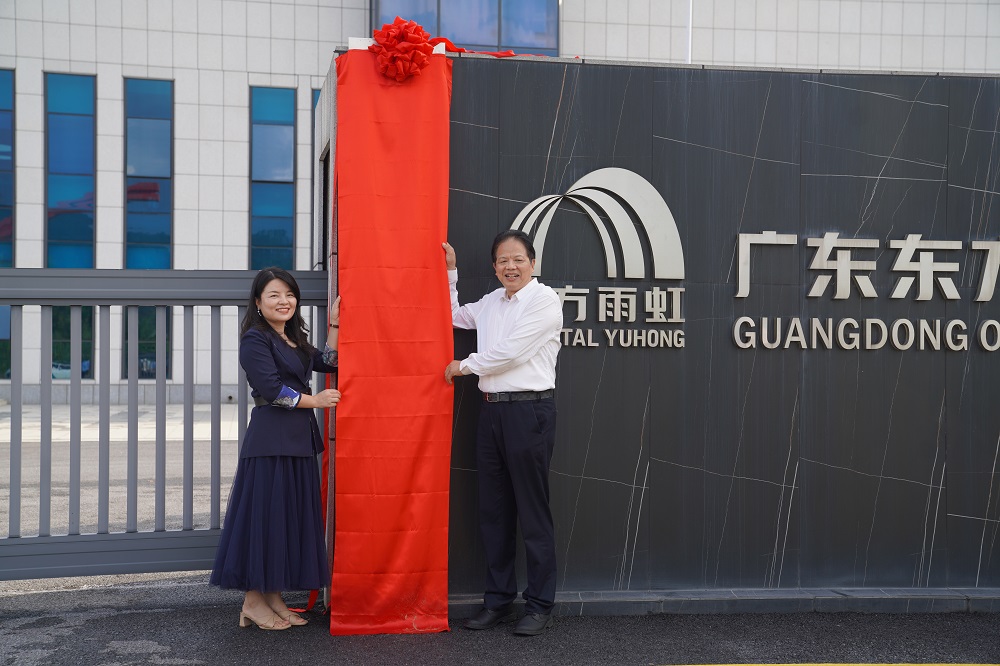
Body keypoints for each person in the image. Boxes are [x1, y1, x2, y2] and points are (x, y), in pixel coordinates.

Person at [442, 230, 563, 636]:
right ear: (494, 267)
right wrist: (451, 274)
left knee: (532, 511)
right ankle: (497, 601)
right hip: (491, 412)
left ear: (533, 263)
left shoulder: (545, 301)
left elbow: (512, 352)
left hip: (529, 412)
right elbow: (452, 315)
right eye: (503, 260)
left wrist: (464, 366)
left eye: (518, 259)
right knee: (494, 512)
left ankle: (540, 605)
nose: (511, 266)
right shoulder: (492, 301)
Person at [210, 266, 342, 631]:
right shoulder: (255, 339)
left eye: (289, 294)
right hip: (271, 441)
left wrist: (334, 323)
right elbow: (272, 390)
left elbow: (329, 362)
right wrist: (316, 401)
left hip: (297, 440)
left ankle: (273, 598)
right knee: (267, 521)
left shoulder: (293, 338)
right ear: (258, 302)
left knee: (284, 521)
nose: (284, 301)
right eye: (274, 295)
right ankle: (252, 602)